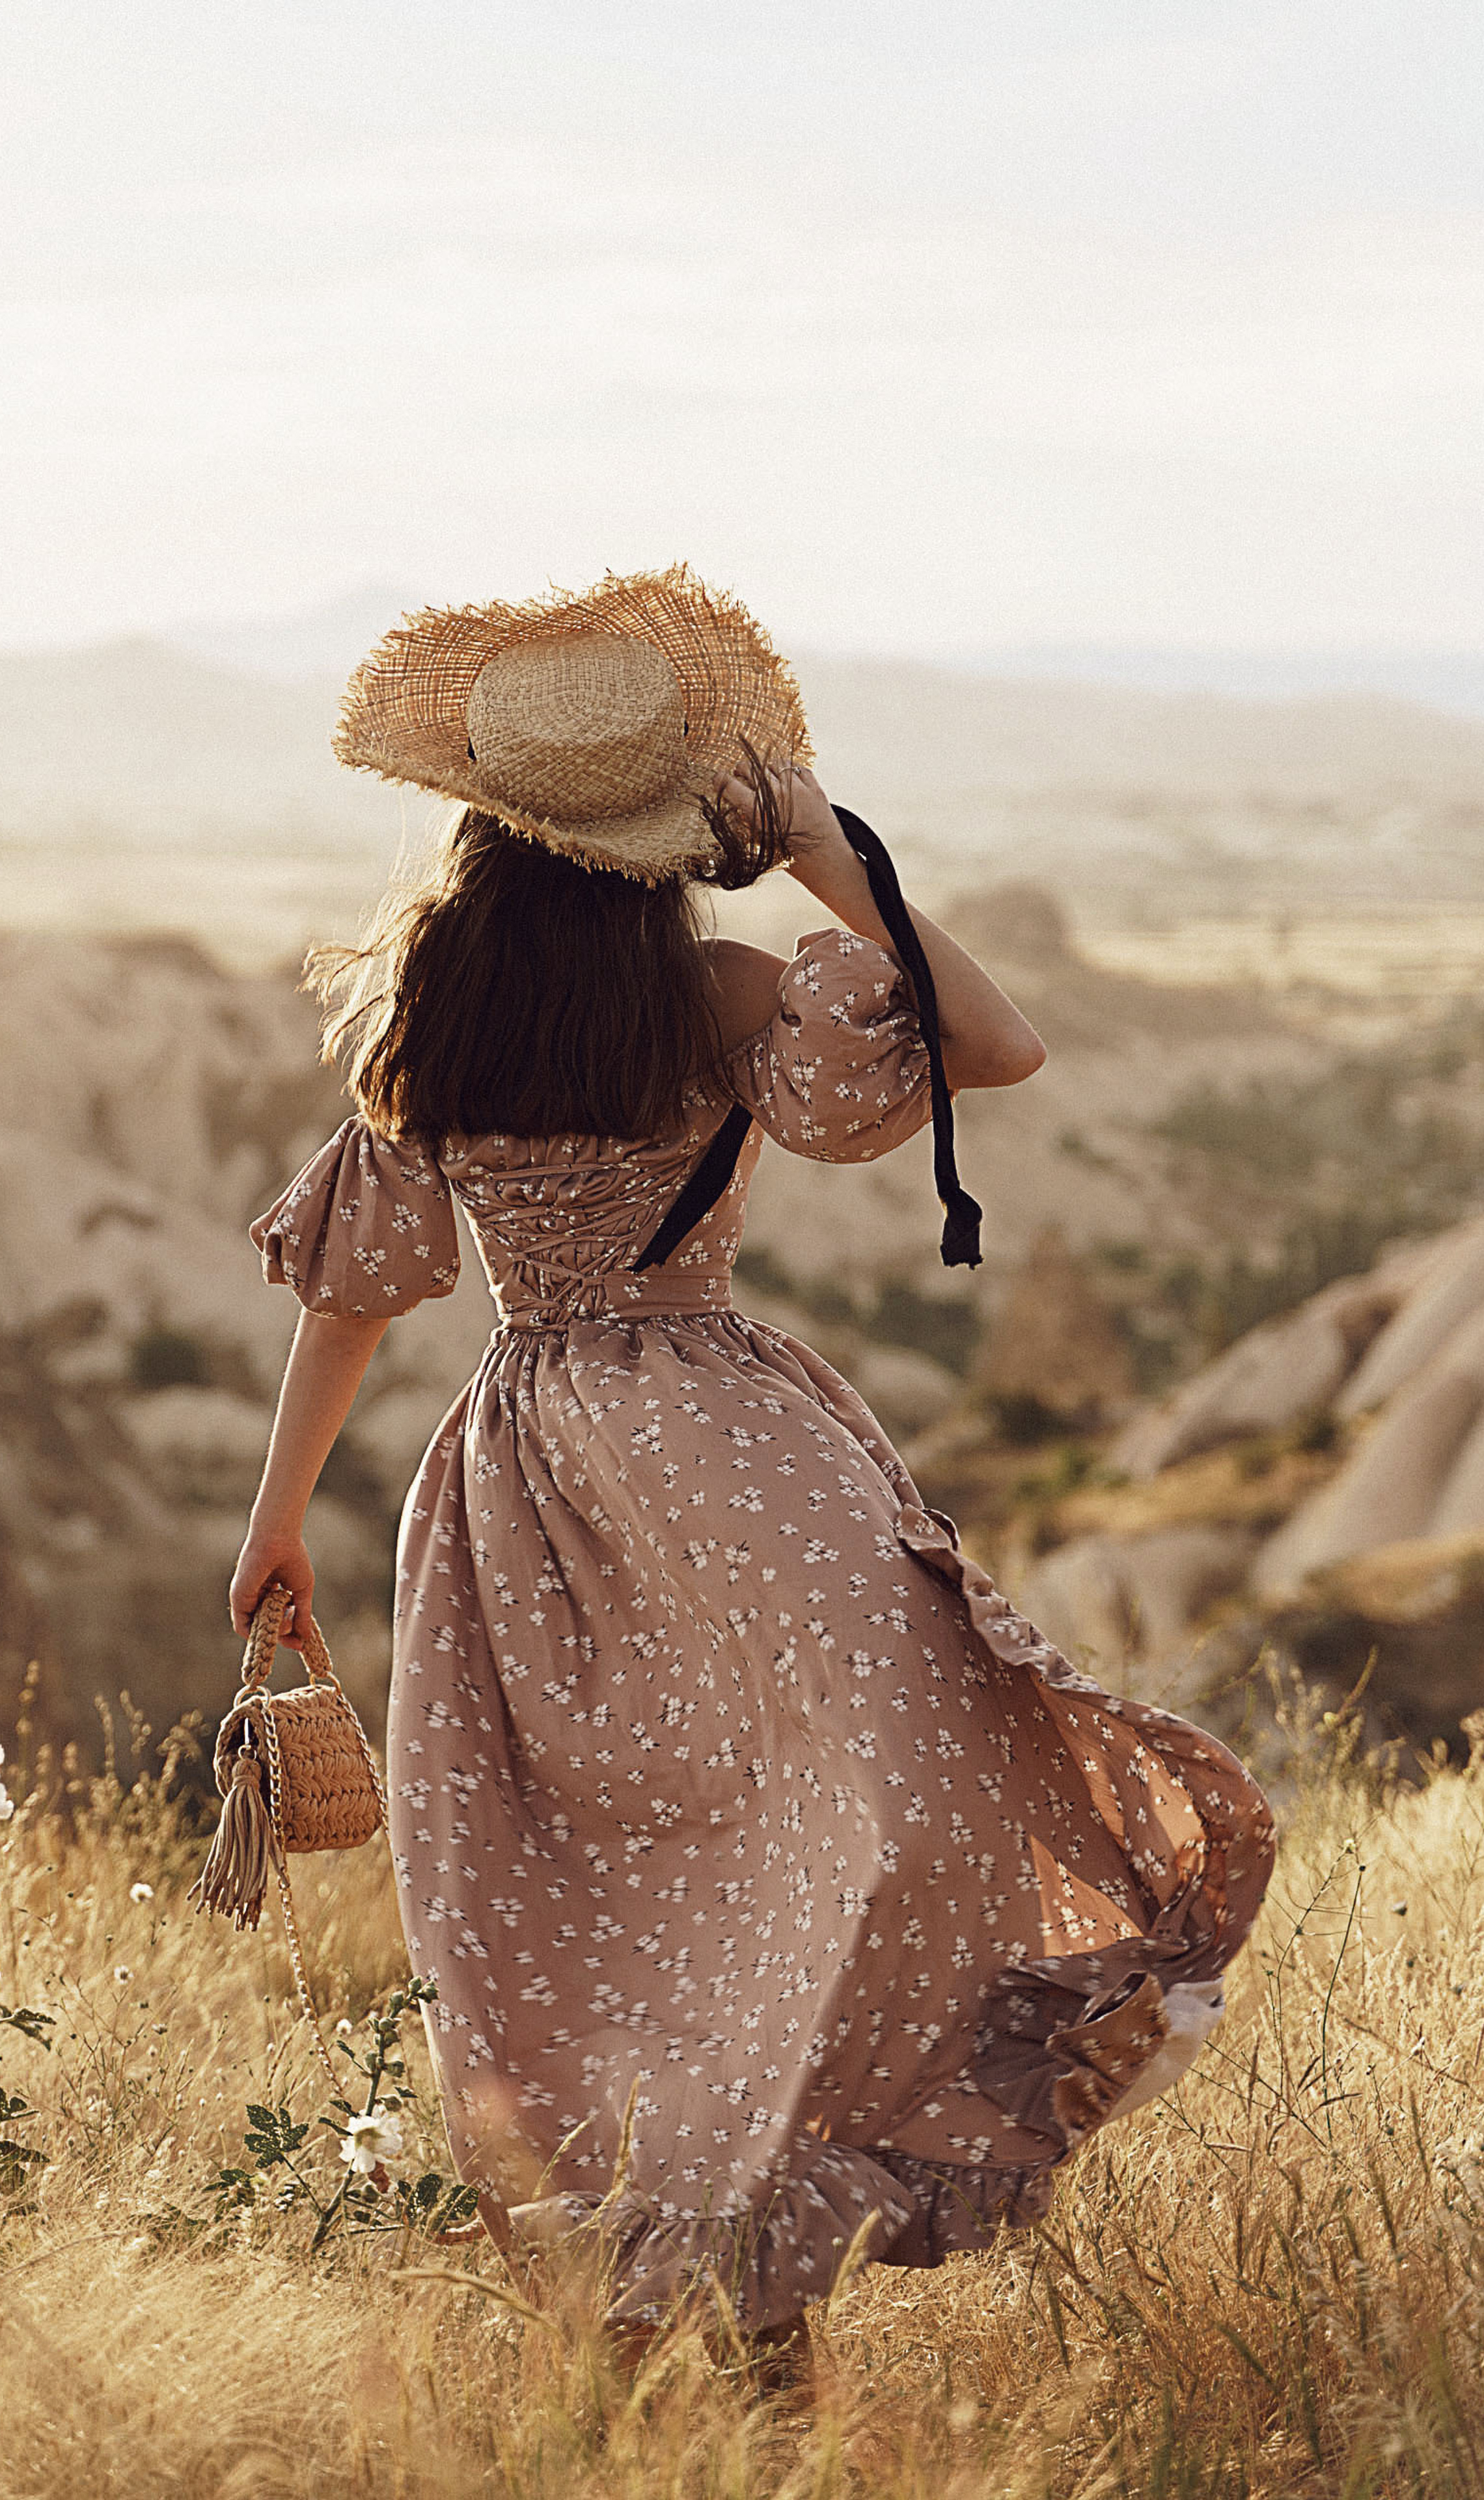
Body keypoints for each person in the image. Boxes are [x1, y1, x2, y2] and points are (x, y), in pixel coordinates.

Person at [230, 566, 1274, 2357]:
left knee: (570, 1888)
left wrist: (274, 1535)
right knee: (827, 1830)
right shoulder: (719, 990)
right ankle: (782, 2237)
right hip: (729, 1450)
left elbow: (354, 1294)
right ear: (657, 832)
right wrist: (822, 848)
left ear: (484, 825)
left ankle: (661, 2289)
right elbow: (997, 1048)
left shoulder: (433, 1011)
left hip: (516, 1488)